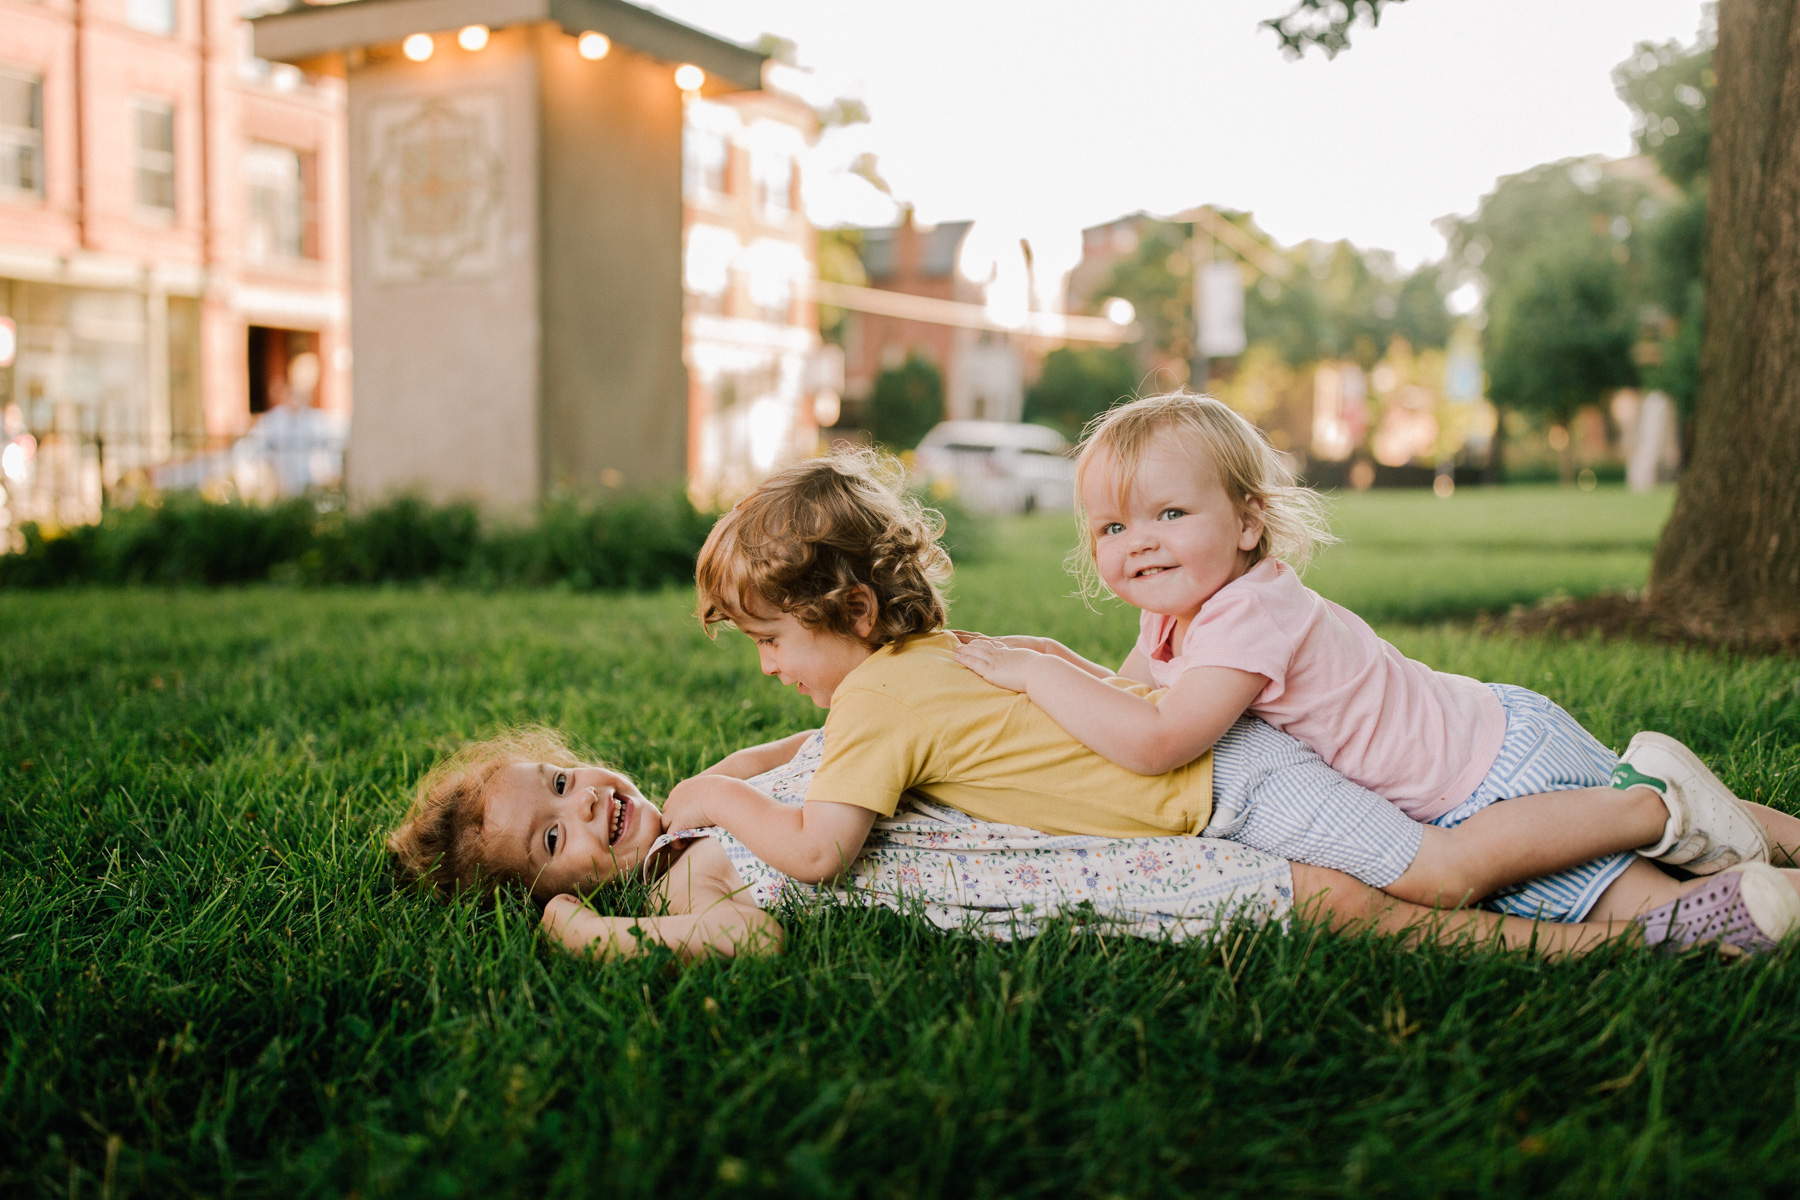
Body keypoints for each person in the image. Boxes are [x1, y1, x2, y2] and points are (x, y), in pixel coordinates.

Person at [658, 452, 1799, 947]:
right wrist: (769, 759)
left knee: (1443, 872)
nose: (767, 665)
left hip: (1230, 790)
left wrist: (716, 796)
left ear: (854, 615)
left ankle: (1657, 810)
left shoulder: (878, 709)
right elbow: (841, 743)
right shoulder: (939, 661)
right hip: (1229, 768)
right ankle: (1707, 875)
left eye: (771, 639)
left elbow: (818, 853)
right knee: (1447, 852)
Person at [951, 393, 1795, 922]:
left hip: (1484, 779)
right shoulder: (1179, 616)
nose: (1138, 544)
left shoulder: (1246, 613)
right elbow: (1132, 697)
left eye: (1169, 514)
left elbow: (1162, 740)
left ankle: (1667, 811)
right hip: (1479, 749)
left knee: (1632, 903)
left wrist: (1035, 675)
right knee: (1674, 881)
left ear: (1248, 523)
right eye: (1112, 527)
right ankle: (1742, 843)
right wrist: (1055, 661)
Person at [386, 722, 1796, 962]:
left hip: (1046, 802)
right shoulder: (692, 875)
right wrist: (599, 940)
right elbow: (745, 934)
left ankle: (1697, 871)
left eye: (566, 777)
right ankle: (1656, 927)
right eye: (557, 839)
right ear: (553, 886)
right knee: (1342, 899)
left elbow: (832, 734)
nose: (591, 804)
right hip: (1068, 877)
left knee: (1401, 829)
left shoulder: (698, 789)